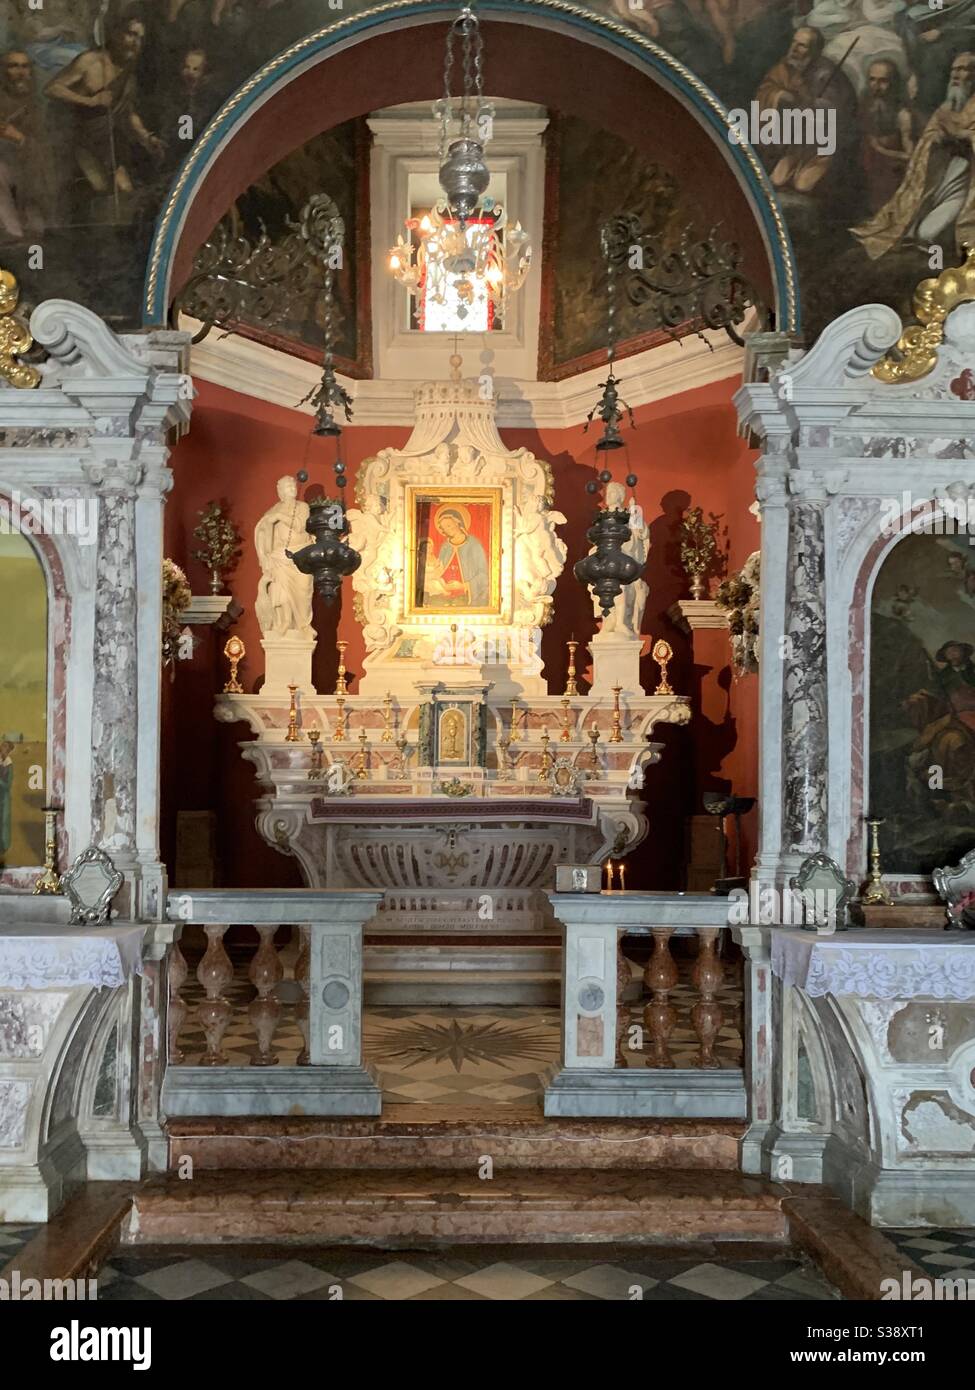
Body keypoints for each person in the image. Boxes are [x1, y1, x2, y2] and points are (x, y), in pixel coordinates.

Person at [852, 51, 975, 256]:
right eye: (954, 69)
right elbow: (928, 139)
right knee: (908, 227)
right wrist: (937, 137)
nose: (956, 74)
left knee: (928, 234)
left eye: (964, 69)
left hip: (965, 183)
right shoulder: (946, 106)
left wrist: (959, 134)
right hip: (939, 177)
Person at [45, 14, 163, 210]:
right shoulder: (90, 61)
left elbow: (128, 113)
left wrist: (147, 137)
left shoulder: (128, 73)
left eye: (140, 38)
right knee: (102, 187)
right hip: (78, 140)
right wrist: (90, 101)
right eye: (131, 35)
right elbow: (51, 88)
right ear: (116, 34)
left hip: (109, 141)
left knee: (125, 187)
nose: (136, 42)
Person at [756, 26, 857, 195]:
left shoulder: (826, 74)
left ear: (815, 51)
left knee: (803, 185)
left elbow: (837, 110)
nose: (794, 49)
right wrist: (779, 95)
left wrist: (809, 104)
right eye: (794, 43)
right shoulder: (784, 67)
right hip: (794, 145)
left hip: (818, 147)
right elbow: (766, 90)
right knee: (776, 180)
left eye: (802, 45)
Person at [254, 476, 315, 640]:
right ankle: (285, 623)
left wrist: (281, 517)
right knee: (281, 592)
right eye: (287, 486)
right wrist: (264, 555)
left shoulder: (303, 507)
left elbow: (301, 526)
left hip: (301, 557)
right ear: (280, 491)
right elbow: (262, 530)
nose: (292, 487)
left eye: (293, 484)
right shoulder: (273, 510)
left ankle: (303, 625)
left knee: (304, 591)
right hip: (279, 557)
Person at [0, 49, 51, 241]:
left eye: (25, 66)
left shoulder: (37, 107)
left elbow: (51, 149)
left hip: (30, 172)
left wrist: (19, 138)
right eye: (13, 66)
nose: (21, 72)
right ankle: (12, 231)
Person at [859, 59, 919, 214]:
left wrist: (880, 149)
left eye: (883, 81)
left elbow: (910, 156)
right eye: (872, 79)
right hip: (865, 170)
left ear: (894, 84)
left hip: (890, 173)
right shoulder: (866, 106)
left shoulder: (903, 115)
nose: (876, 86)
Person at [432, 506, 489, 608]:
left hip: (467, 595)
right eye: (444, 528)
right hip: (444, 594)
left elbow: (484, 575)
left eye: (449, 525)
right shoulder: (445, 547)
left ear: (457, 522)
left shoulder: (474, 544)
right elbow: (438, 571)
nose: (447, 530)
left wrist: (463, 586)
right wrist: (441, 583)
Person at [0, 739, 13, 861]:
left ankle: (3, 846)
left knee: (3, 821)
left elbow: (8, 784)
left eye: (5, 748)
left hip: (4, 797)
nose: (3, 749)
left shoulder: (9, 764)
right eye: (2, 746)